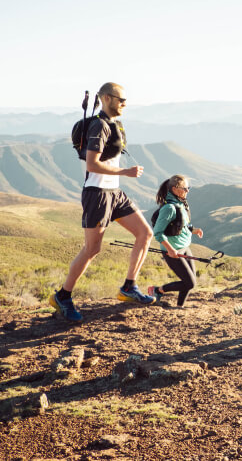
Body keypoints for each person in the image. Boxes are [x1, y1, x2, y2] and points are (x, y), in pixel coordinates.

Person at [49, 82, 155, 322]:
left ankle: (129, 287)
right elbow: (91, 164)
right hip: (97, 194)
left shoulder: (113, 124)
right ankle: (62, 296)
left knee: (145, 234)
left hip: (114, 193)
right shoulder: (99, 126)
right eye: (121, 99)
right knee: (92, 249)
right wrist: (125, 172)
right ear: (106, 98)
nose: (124, 104)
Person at [147, 175, 204, 307]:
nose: (187, 191)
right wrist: (170, 249)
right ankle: (156, 290)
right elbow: (158, 232)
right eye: (185, 188)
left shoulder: (181, 204)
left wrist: (194, 230)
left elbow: (180, 225)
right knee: (190, 283)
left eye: (188, 188)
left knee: (189, 281)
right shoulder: (169, 208)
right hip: (173, 251)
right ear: (175, 189)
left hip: (184, 247)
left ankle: (179, 307)